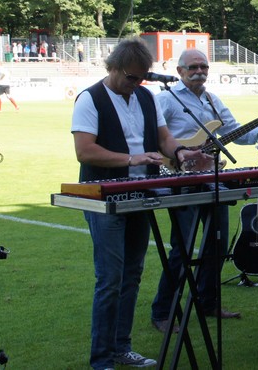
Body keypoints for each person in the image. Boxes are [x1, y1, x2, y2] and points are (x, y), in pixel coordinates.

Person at [71, 38, 209, 370]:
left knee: (132, 275)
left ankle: (122, 347)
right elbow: (84, 151)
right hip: (104, 195)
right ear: (113, 68)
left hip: (142, 193)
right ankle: (102, 359)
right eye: (130, 77)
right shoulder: (90, 98)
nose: (135, 83)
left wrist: (181, 153)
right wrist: (131, 158)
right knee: (110, 279)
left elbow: (163, 138)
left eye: (141, 78)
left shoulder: (146, 97)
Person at [150, 49, 258, 332]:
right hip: (180, 180)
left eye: (204, 67)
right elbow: (152, 134)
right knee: (182, 249)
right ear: (180, 71)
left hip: (211, 179)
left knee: (218, 244)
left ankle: (207, 302)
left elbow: (236, 132)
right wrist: (179, 154)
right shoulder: (167, 99)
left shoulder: (212, 100)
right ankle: (163, 311)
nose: (199, 71)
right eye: (193, 67)